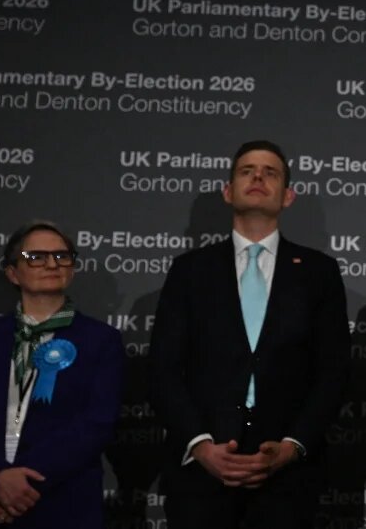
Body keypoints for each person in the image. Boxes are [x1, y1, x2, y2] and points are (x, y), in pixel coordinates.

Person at [149, 140, 350, 529]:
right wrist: (201, 446)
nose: (258, 177)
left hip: (287, 481)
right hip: (200, 479)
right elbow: (163, 369)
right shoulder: (190, 271)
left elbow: (333, 372)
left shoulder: (318, 273)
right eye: (247, 171)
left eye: (270, 172)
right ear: (228, 192)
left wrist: (291, 447)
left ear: (288, 196)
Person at [0, 220, 124, 528]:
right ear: (13, 272)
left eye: (62, 256)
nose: (52, 263)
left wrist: (23, 485)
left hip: (62, 502)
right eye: (36, 257)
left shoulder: (101, 340)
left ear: (72, 269)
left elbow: (96, 423)